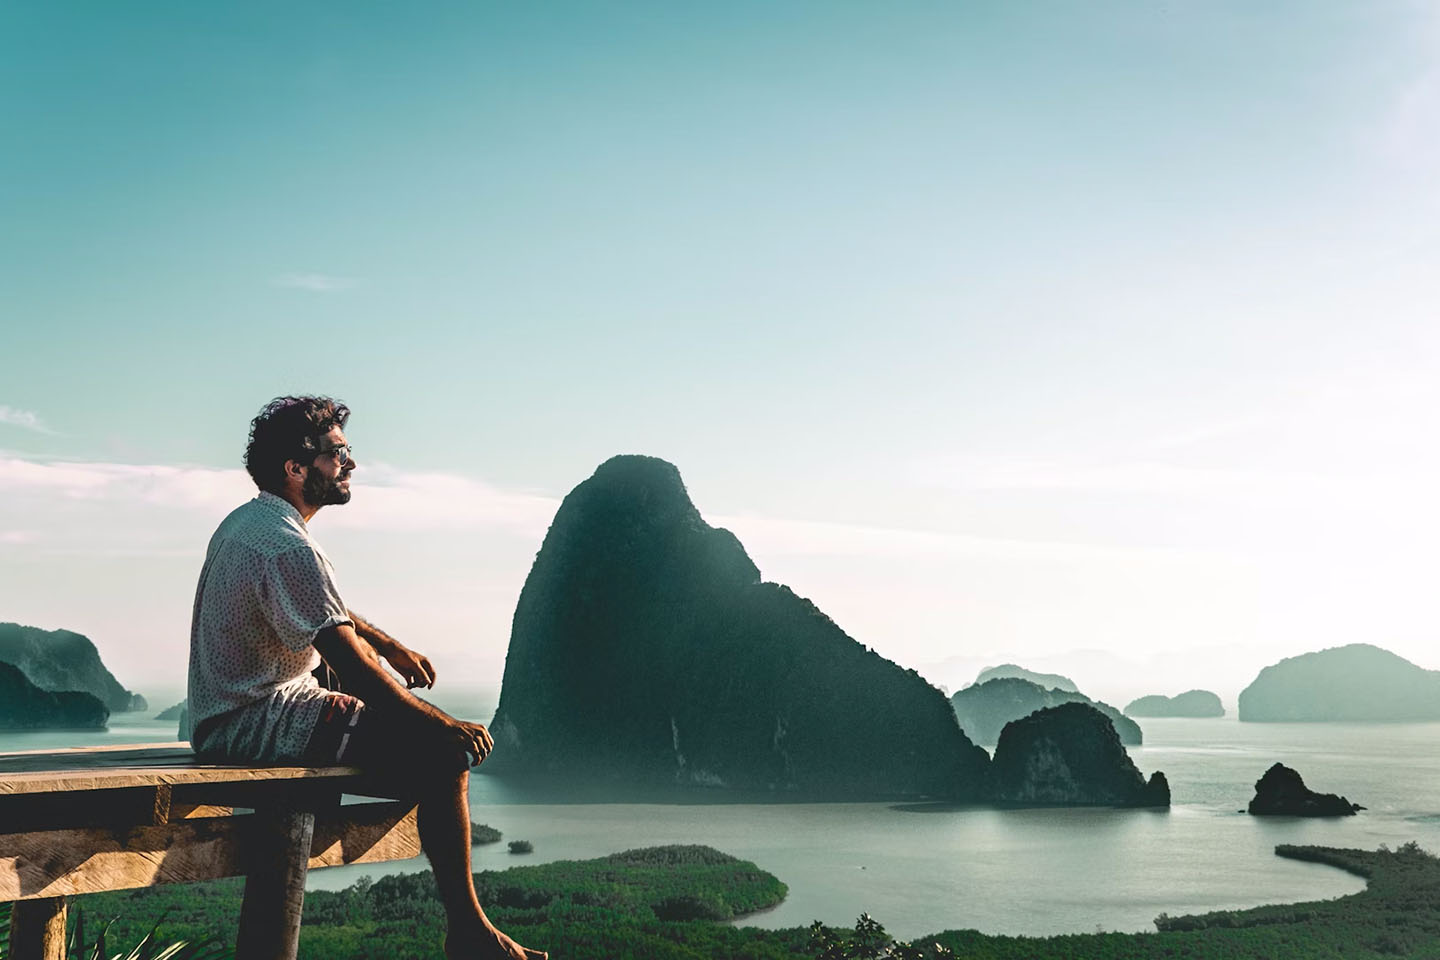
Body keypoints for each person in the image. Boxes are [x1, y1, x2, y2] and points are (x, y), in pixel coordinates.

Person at [187, 395, 546, 960]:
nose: (350, 463)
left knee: (373, 695)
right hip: (256, 724)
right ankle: (469, 932)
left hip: (223, 715)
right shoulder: (287, 546)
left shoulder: (252, 523)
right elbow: (348, 664)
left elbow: (321, 612)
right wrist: (442, 725)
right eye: (339, 453)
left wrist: (388, 643)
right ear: (296, 468)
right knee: (442, 755)